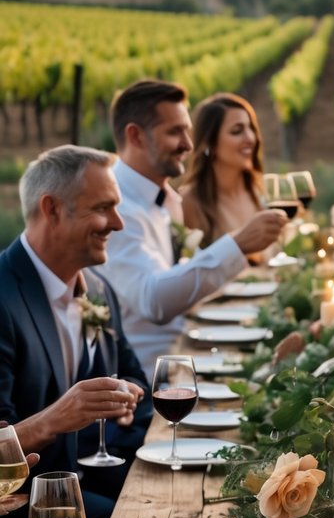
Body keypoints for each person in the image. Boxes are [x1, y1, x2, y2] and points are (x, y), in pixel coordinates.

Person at [0, 145, 151, 518]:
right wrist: (56, 419)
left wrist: (124, 398)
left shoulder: (97, 287)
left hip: (88, 482)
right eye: (103, 209)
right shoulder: (4, 297)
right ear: (52, 209)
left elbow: (133, 373)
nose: (118, 224)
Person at [104, 78, 288, 378]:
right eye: (175, 132)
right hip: (145, 380)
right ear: (135, 136)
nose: (189, 145)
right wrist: (237, 244)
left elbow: (179, 279)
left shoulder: (166, 201)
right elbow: (154, 301)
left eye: (187, 131)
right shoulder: (116, 208)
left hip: (184, 355)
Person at [179, 92, 269, 261]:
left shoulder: (259, 193)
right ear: (210, 144)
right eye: (237, 131)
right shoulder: (190, 202)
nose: (250, 138)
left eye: (251, 128)